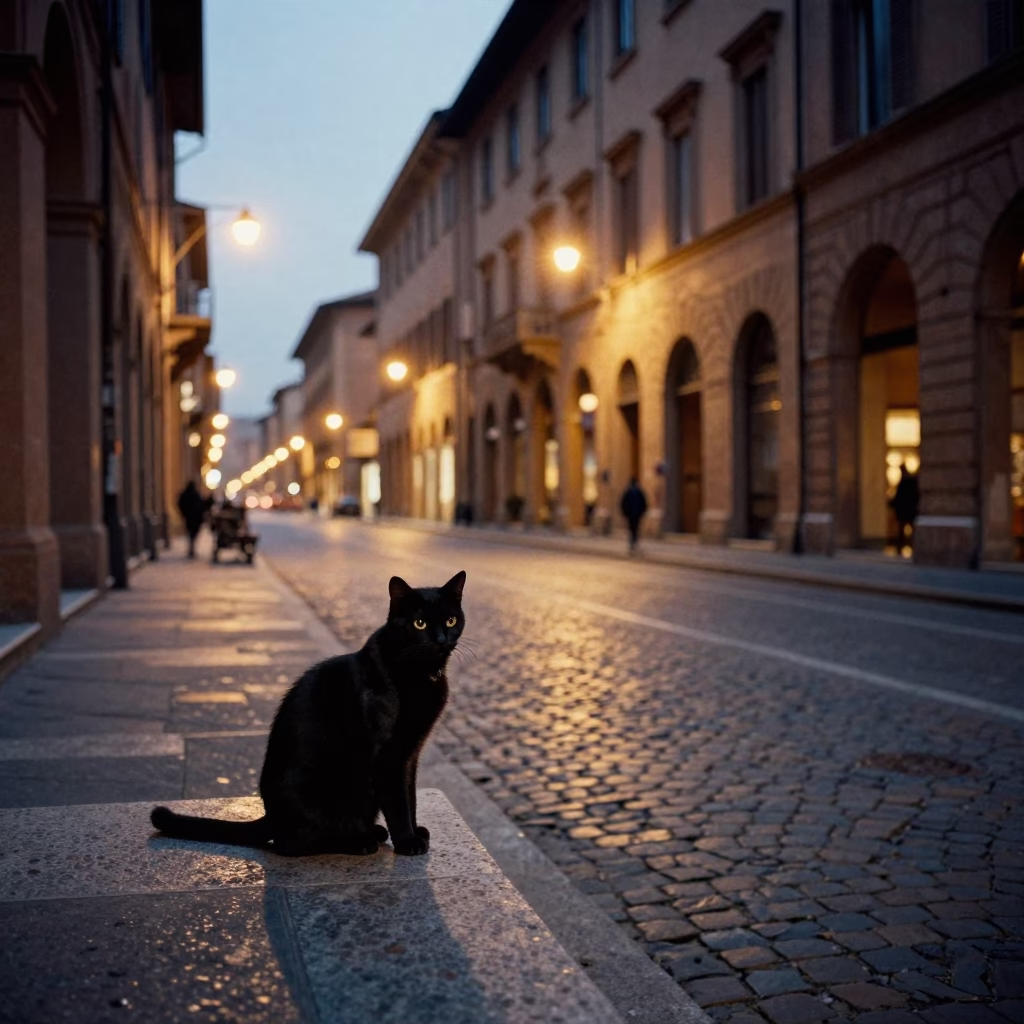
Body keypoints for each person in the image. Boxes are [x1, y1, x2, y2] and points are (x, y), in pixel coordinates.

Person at [890, 463, 920, 554]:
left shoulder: (904, 482)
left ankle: (902, 547)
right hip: (909, 510)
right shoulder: (912, 481)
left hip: (905, 510)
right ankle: (914, 546)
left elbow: (899, 497)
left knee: (902, 529)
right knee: (909, 529)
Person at [176, 480, 207, 559]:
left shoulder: (186, 494)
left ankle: (191, 548)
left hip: (189, 518)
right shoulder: (195, 495)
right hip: (195, 519)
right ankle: (191, 548)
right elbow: (201, 505)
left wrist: (184, 514)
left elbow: (180, 504)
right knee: (193, 534)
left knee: (190, 534)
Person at [620, 477, 648, 553]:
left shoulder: (628, 492)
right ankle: (634, 542)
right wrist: (642, 512)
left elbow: (623, 503)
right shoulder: (639, 492)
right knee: (635, 528)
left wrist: (625, 513)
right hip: (636, 514)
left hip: (631, 514)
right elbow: (644, 503)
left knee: (632, 529)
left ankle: (632, 542)